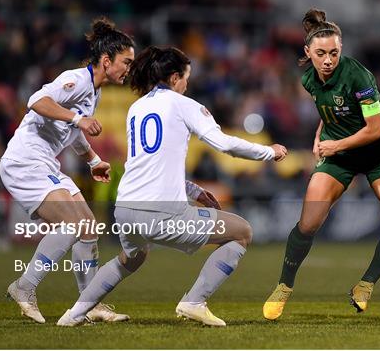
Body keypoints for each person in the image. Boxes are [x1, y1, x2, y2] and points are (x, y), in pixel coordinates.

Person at [56, 45, 287, 327]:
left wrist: (193, 191)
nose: (187, 84)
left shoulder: (137, 107)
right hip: (161, 213)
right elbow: (224, 144)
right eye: (186, 77)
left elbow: (151, 163)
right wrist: (268, 151)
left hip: (126, 208)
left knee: (132, 257)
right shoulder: (183, 105)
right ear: (176, 77)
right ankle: (195, 301)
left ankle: (73, 314)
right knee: (241, 232)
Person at [263, 8, 380, 320]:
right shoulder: (309, 79)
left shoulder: (358, 76)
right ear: (308, 53)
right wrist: (320, 134)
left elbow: (376, 129)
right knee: (308, 223)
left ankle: (366, 284)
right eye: (321, 53)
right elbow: (329, 111)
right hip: (339, 153)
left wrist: (334, 144)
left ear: (341, 50)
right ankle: (283, 286)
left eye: (334, 52)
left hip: (377, 150)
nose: (328, 60)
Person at [1, 17, 135, 324]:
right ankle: (25, 286)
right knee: (74, 225)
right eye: (126, 62)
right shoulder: (76, 79)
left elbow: (71, 131)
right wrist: (78, 119)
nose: (128, 68)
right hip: (25, 161)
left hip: (45, 162)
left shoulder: (95, 92)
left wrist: (92, 160)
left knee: (89, 226)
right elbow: (36, 101)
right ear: (106, 60)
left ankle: (90, 304)